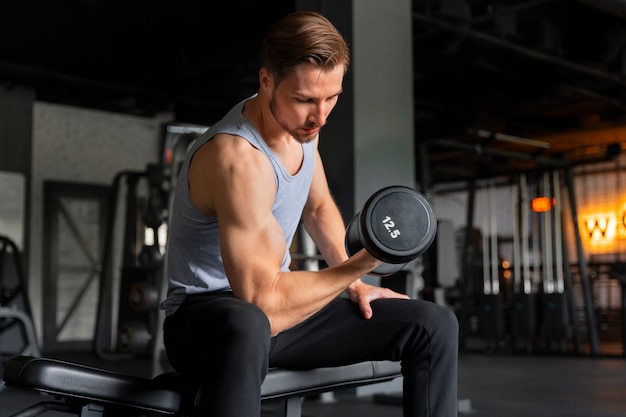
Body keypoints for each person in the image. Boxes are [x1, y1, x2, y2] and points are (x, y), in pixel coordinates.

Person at [161, 10, 458, 417]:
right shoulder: (237, 160)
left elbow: (317, 208)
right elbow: (260, 301)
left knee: (432, 324)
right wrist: (359, 267)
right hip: (207, 322)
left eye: (332, 97)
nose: (320, 115)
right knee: (249, 324)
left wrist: (356, 284)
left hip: (274, 313)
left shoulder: (304, 130)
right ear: (266, 81)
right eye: (304, 100)